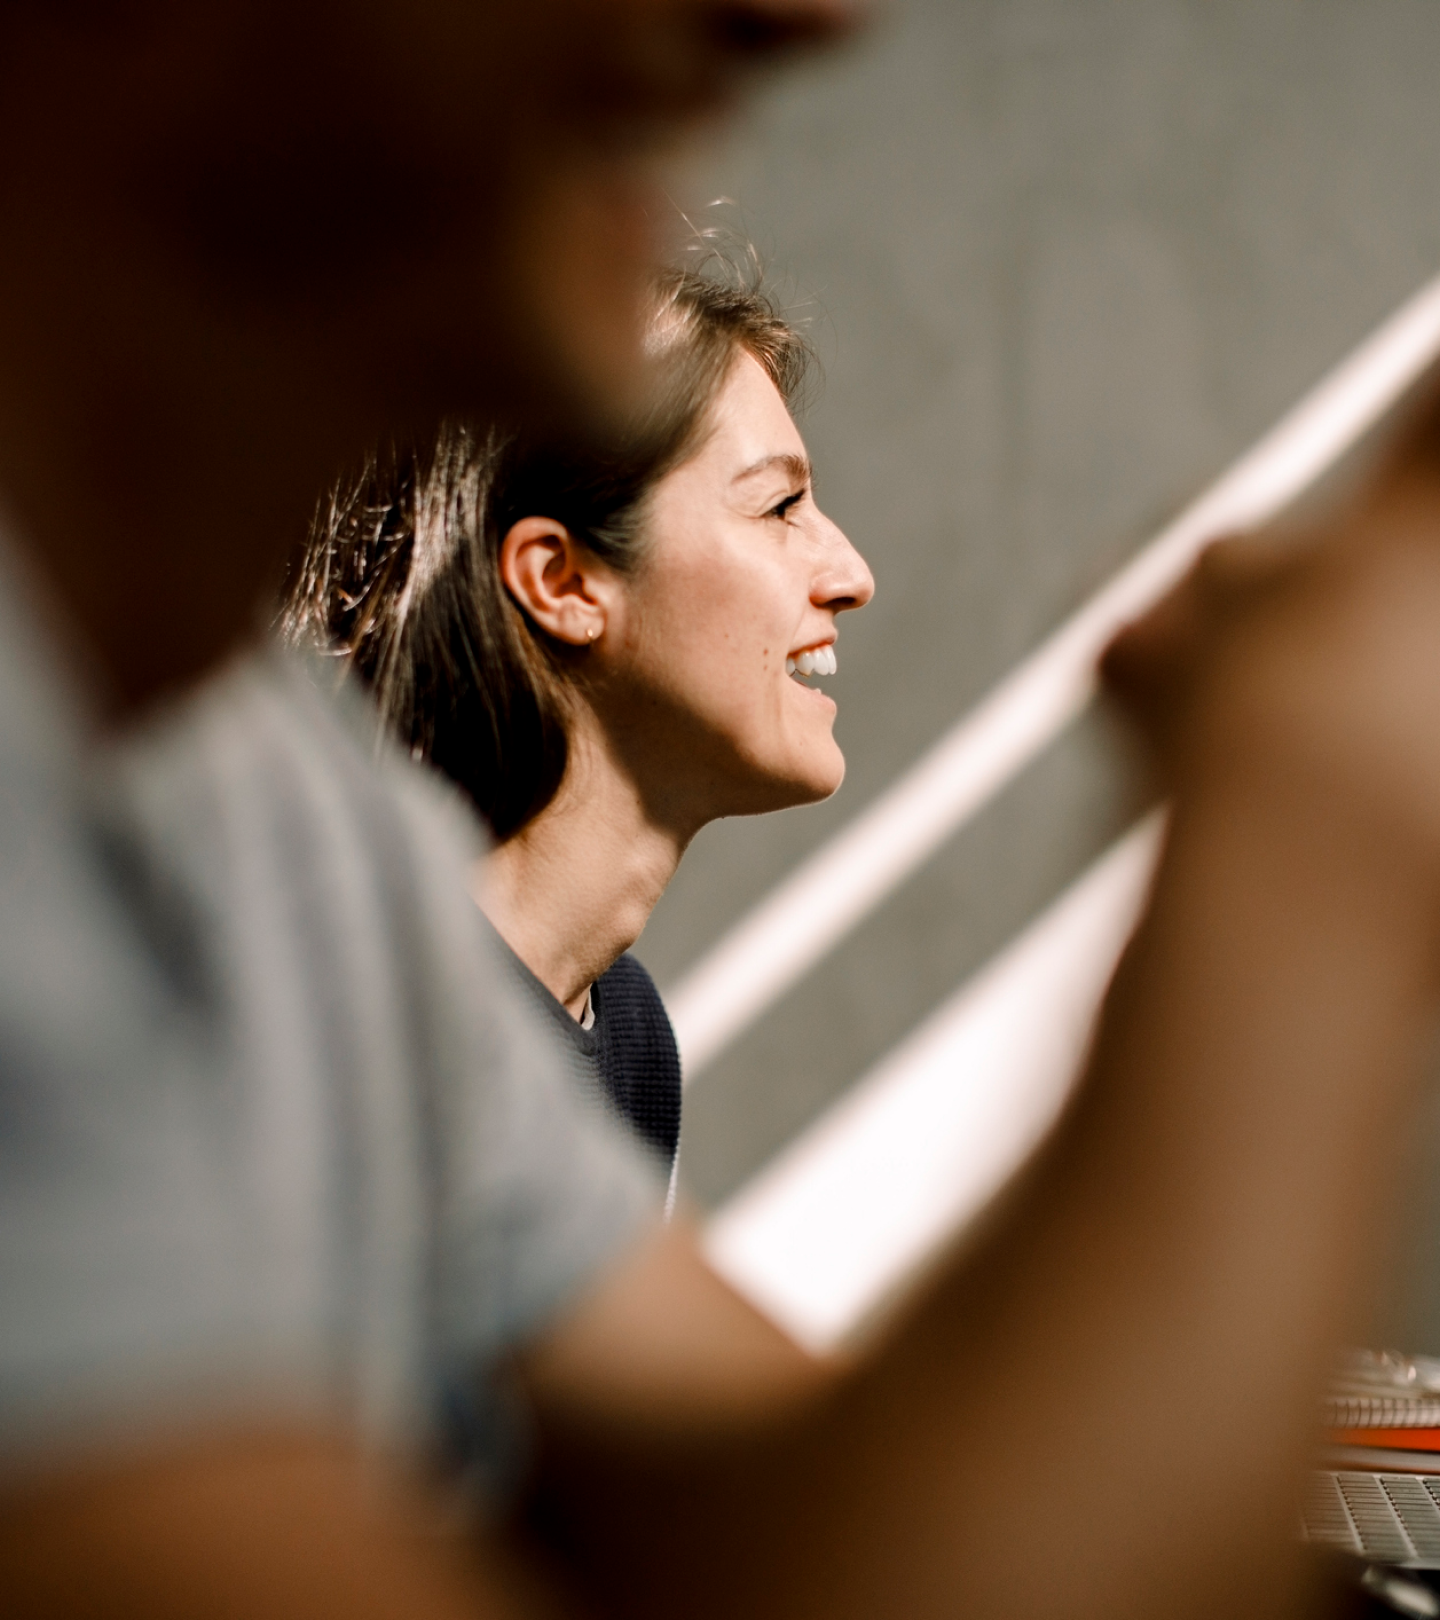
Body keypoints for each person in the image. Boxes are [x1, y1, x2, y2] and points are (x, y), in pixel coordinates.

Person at [6, 4, 1440, 1619]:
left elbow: (848, 1552)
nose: (808, 16)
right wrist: (1315, 813)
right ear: (557, 584)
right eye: (777, 508)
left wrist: (1321, 756)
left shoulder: (296, 829)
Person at [285, 270, 874, 1175]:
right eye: (780, 507)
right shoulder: (330, 1030)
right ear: (562, 583)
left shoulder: (632, 1049)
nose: (850, 573)